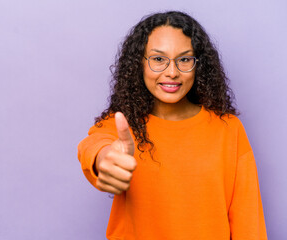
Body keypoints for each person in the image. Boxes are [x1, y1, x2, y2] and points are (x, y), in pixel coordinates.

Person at [77, 11, 268, 240]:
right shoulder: (123, 126)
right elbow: (93, 145)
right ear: (140, 64)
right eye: (158, 59)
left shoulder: (229, 129)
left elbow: (248, 223)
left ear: (199, 65)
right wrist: (105, 158)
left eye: (184, 59)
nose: (172, 72)